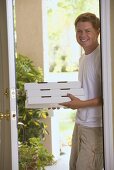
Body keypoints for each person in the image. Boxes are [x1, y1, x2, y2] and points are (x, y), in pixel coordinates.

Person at [59, 12, 103, 170]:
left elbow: (107, 97)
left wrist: (81, 104)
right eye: (79, 31)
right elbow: (88, 89)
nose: (82, 35)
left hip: (95, 126)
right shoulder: (83, 58)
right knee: (74, 166)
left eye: (87, 30)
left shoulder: (102, 57)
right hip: (80, 124)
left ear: (98, 31)